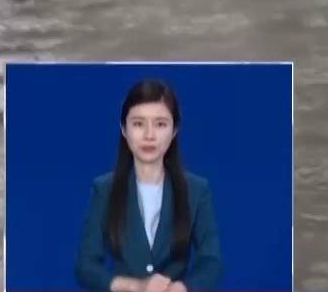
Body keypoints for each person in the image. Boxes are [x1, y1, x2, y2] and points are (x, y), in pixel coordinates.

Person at [75, 79, 221, 292]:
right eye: (138, 123)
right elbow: (85, 265)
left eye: (160, 124)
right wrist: (135, 286)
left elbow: (211, 261)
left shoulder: (197, 190)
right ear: (123, 129)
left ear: (175, 130)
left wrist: (181, 288)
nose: (149, 135)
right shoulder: (104, 189)